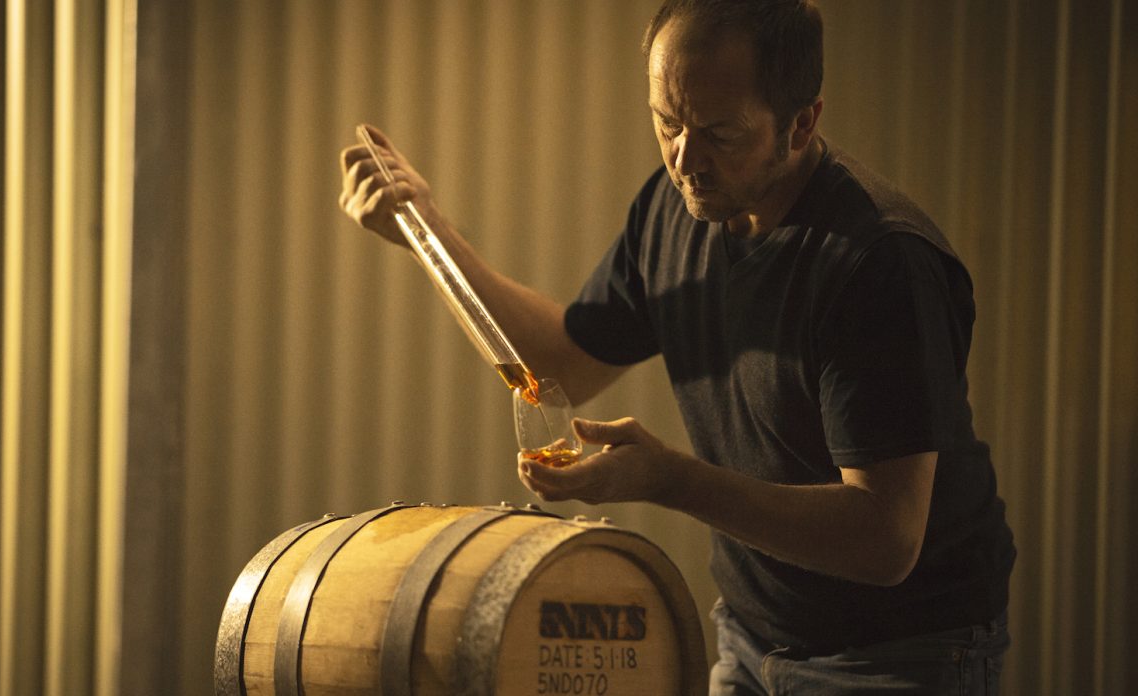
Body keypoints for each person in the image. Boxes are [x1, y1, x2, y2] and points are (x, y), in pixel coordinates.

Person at [339, 1, 1015, 693]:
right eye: (667, 122)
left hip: (899, 655)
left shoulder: (877, 263)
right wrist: (424, 230)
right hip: (752, 637)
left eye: (720, 133)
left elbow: (885, 539)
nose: (684, 159)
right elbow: (560, 363)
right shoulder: (674, 209)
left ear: (802, 123)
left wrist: (672, 480)